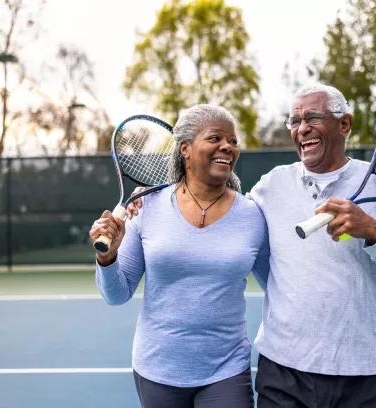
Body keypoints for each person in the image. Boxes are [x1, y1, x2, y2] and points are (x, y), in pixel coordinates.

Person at [127, 82, 376, 407]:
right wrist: (150, 198)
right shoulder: (271, 188)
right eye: (294, 121)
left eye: (312, 117)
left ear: (344, 124)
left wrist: (373, 233)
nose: (302, 129)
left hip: (362, 371)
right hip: (283, 373)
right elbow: (219, 210)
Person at [88, 104, 270, 408]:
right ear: (185, 148)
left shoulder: (252, 215)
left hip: (226, 369)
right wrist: (108, 259)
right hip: (156, 369)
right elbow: (116, 295)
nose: (227, 146)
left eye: (233, 141)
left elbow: (277, 286)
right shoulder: (146, 206)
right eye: (215, 138)